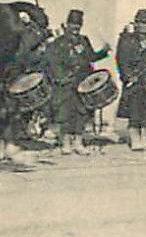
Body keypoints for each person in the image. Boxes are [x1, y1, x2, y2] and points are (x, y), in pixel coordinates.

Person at [46, 9, 110, 155]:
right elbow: (52, 63)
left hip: (82, 82)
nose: (75, 28)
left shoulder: (83, 40)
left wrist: (103, 52)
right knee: (66, 113)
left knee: (82, 113)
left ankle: (78, 142)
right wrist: (61, 78)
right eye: (73, 25)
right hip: (66, 84)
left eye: (78, 26)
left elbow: (89, 57)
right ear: (67, 25)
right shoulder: (58, 43)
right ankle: (66, 143)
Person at [115, 9, 146, 152]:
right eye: (141, 22)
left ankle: (143, 138)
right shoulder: (127, 39)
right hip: (135, 80)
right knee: (135, 110)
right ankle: (135, 140)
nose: (144, 26)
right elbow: (121, 60)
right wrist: (128, 76)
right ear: (135, 23)